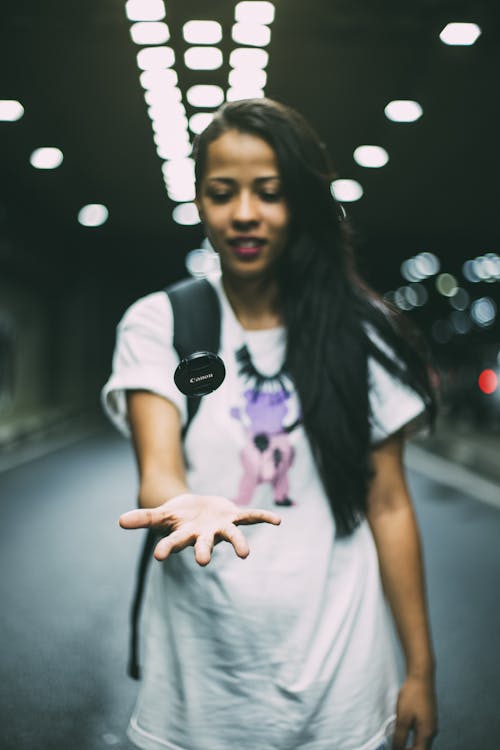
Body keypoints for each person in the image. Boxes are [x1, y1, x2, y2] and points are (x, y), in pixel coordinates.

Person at [102, 97, 438, 750]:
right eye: (222, 193)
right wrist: (186, 505)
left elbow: (390, 503)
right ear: (199, 200)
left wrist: (421, 669)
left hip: (342, 685)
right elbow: (159, 473)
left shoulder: (362, 333)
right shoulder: (160, 324)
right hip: (201, 687)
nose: (245, 214)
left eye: (270, 193)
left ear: (302, 204)